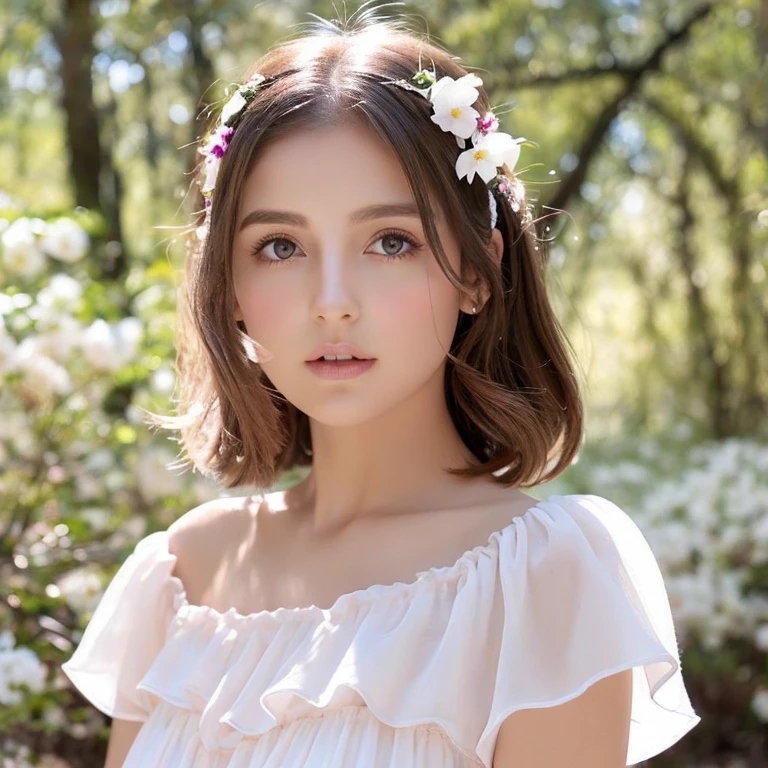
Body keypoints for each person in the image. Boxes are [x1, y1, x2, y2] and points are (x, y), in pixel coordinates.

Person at [61, 11, 701, 768]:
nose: (333, 301)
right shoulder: (179, 578)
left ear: (475, 269)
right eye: (280, 246)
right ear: (227, 285)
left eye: (391, 241)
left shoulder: (538, 578)